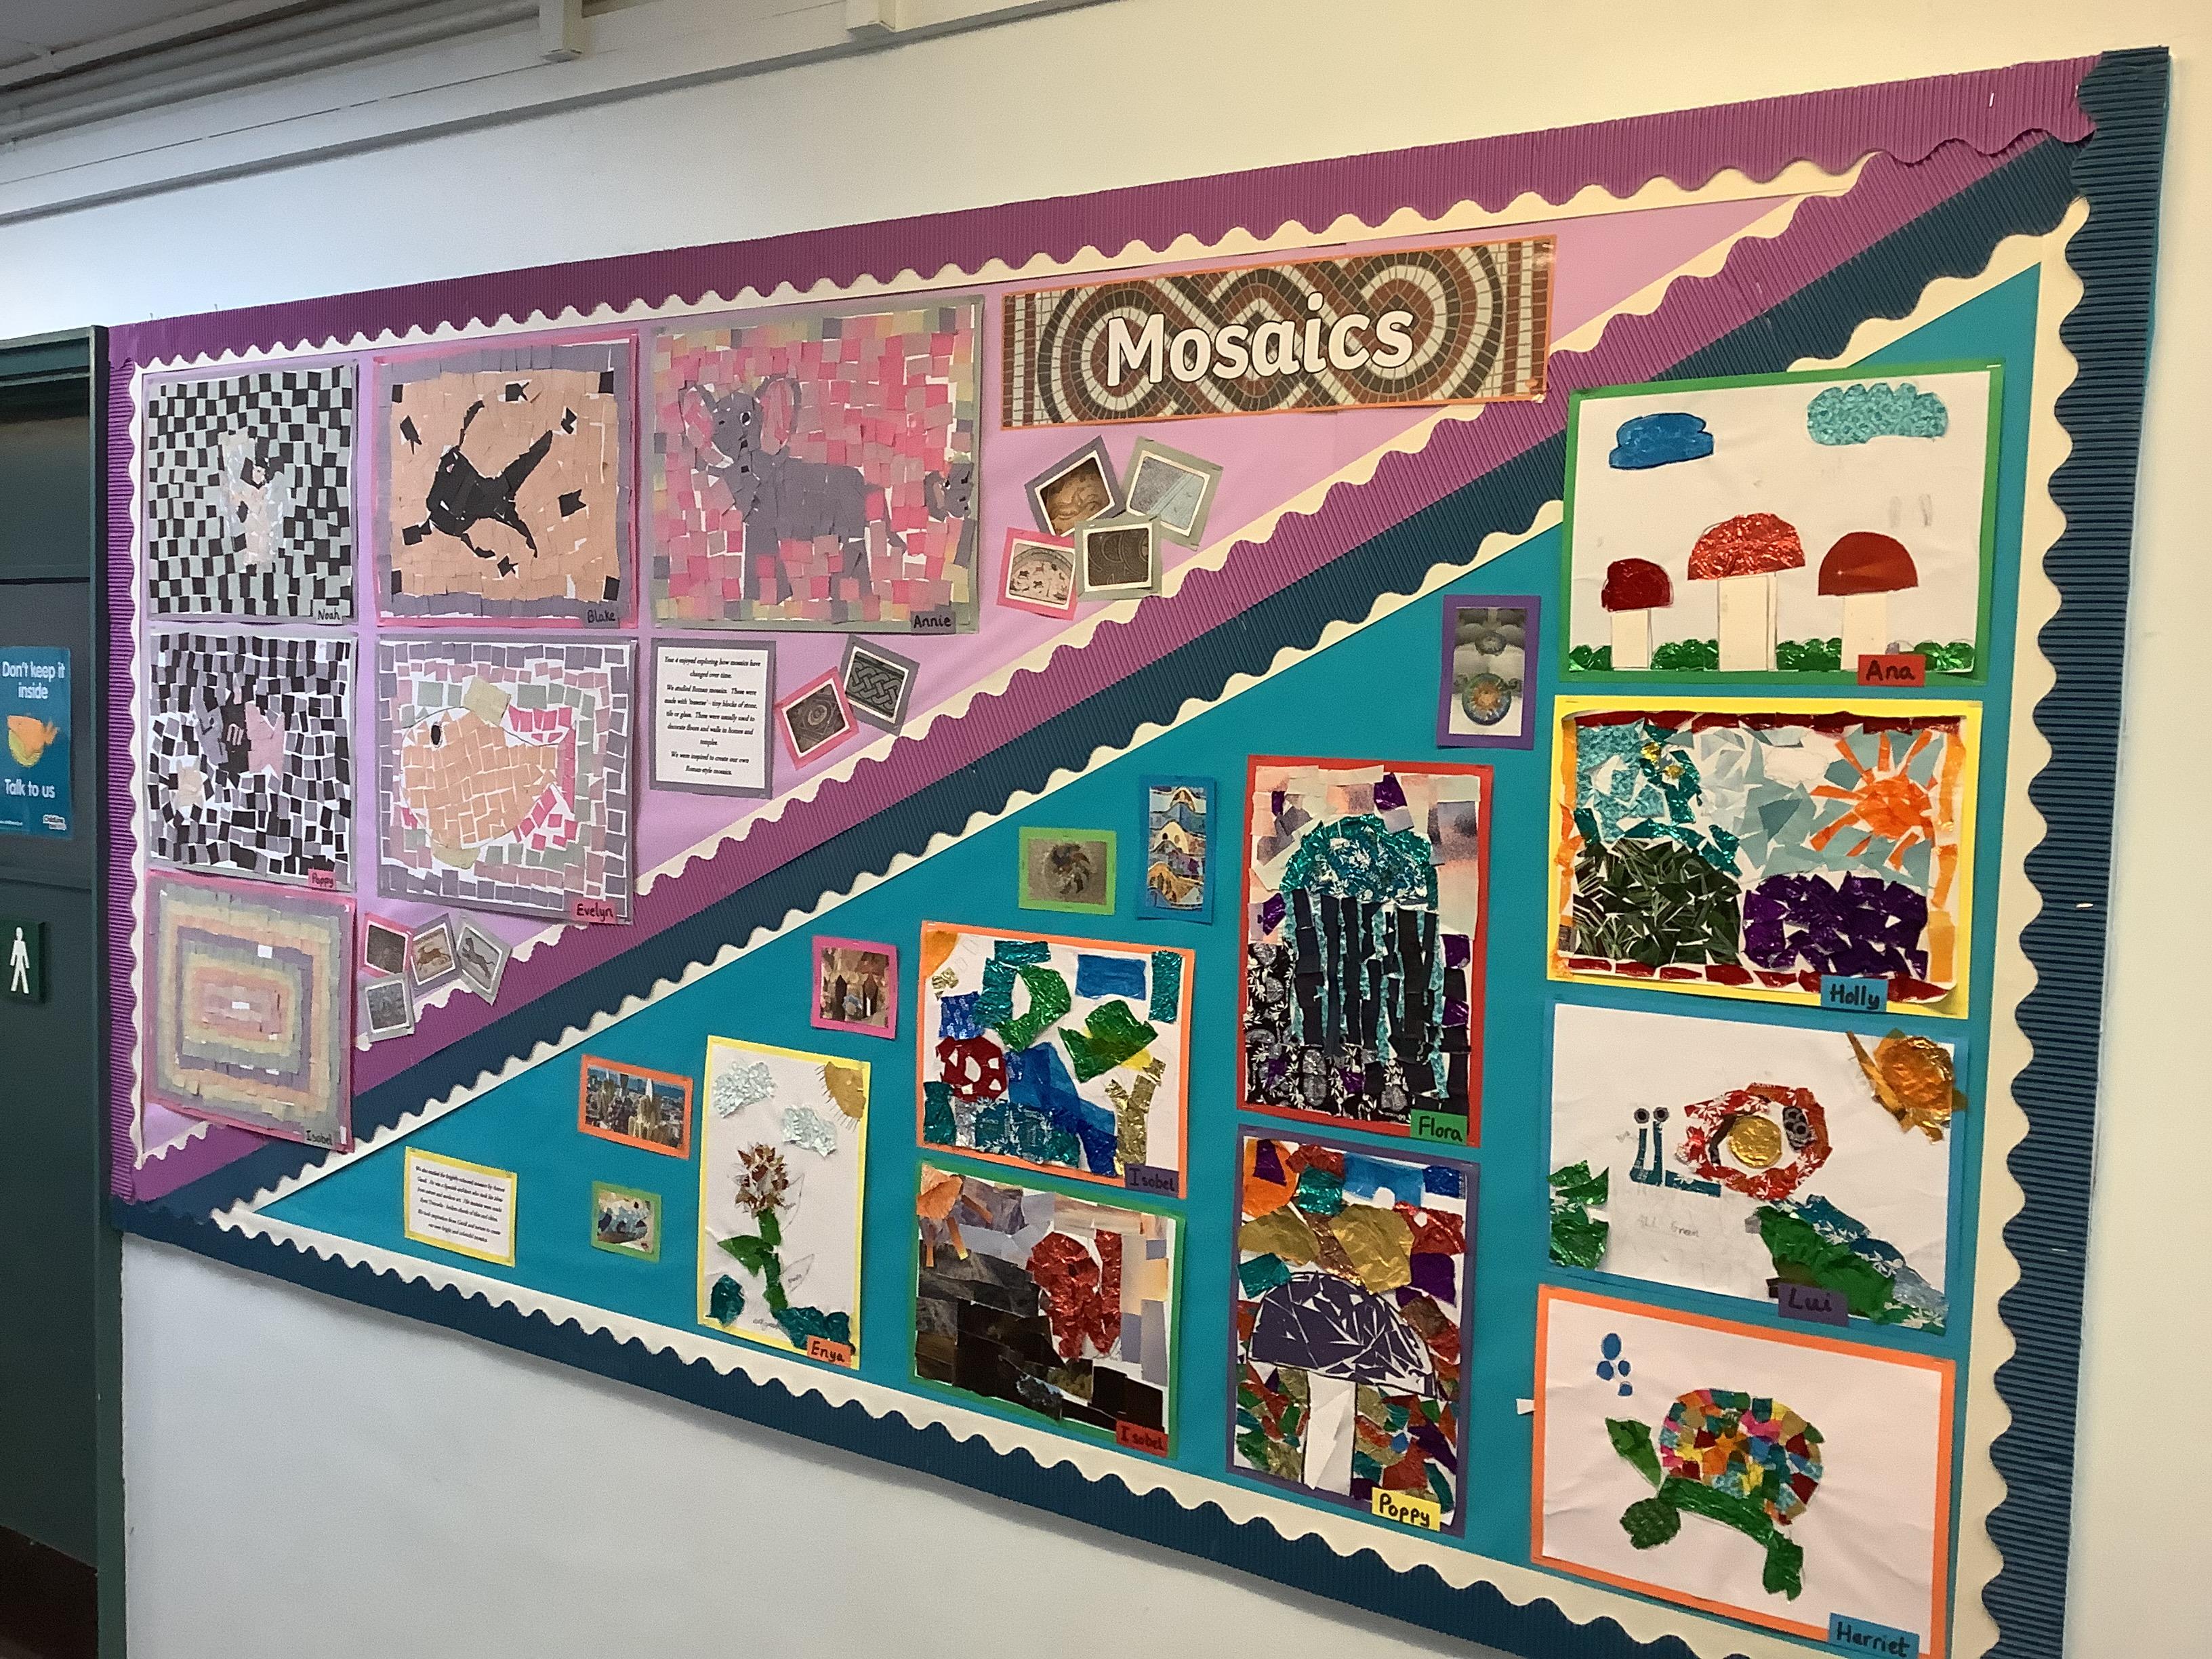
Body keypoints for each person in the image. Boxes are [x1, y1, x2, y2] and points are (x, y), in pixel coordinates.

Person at [7, 925, 26, 996]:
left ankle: (25, 989)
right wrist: (12, 962)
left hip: (21, 961)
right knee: (16, 974)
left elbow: (25, 954)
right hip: (18, 960)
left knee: (23, 975)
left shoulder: (23, 944)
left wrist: (27, 964)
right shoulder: (16, 943)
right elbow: (14, 953)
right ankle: (14, 988)